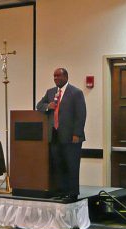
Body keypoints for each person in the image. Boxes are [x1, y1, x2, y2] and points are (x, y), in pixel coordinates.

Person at [36, 68, 86, 201]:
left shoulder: (76, 92)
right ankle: (61, 192)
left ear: (66, 76)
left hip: (71, 137)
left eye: (58, 76)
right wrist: (48, 106)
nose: (56, 78)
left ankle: (72, 193)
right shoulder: (50, 92)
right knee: (58, 165)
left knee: (71, 165)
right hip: (54, 136)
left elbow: (81, 115)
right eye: (54, 76)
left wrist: (77, 134)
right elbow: (38, 106)